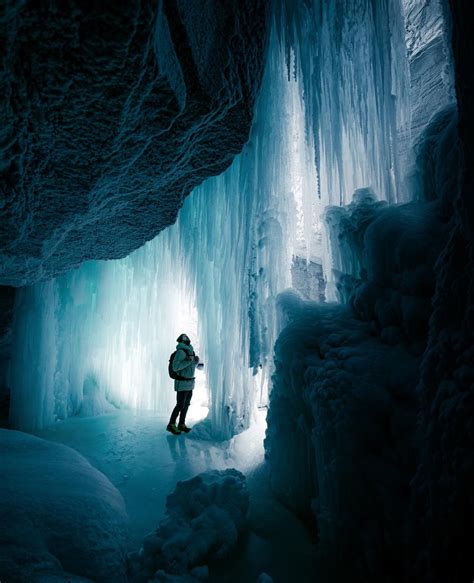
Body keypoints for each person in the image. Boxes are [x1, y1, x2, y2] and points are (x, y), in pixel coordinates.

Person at [166, 333, 200, 435]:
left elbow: (189, 365)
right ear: (182, 341)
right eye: (185, 338)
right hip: (182, 382)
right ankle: (171, 425)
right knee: (180, 405)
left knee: (186, 405)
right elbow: (176, 367)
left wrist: (195, 361)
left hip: (189, 382)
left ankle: (181, 424)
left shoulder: (190, 351)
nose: (187, 339)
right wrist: (189, 361)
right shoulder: (180, 352)